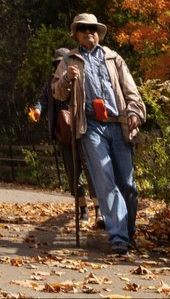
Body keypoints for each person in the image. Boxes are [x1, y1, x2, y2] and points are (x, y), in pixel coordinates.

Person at [52, 13, 146, 255]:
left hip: (119, 123)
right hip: (91, 127)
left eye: (92, 28)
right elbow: (57, 93)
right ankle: (119, 237)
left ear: (98, 32)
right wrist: (66, 79)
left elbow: (131, 90)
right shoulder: (69, 60)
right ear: (76, 34)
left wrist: (135, 112)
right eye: (82, 29)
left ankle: (129, 230)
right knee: (105, 181)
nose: (88, 32)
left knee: (128, 184)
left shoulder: (114, 58)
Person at [30, 47, 100, 226]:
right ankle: (83, 210)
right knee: (72, 172)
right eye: (57, 63)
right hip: (63, 133)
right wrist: (37, 109)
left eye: (64, 62)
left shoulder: (81, 77)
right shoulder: (51, 82)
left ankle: (99, 211)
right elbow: (43, 99)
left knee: (91, 169)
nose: (60, 66)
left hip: (83, 129)